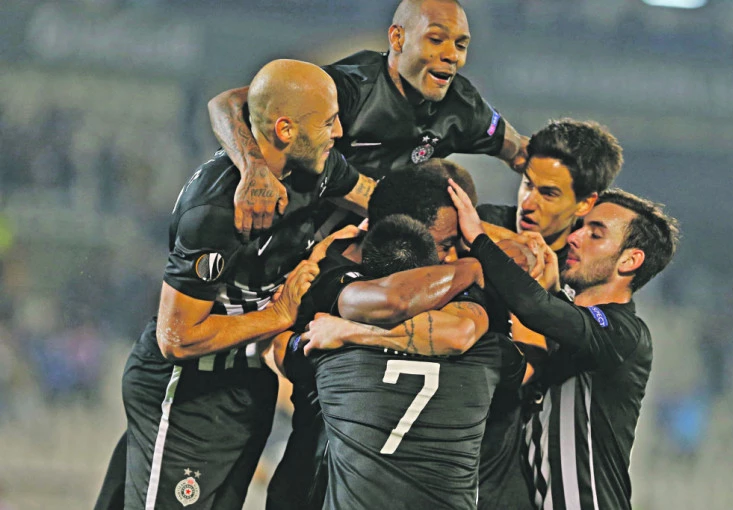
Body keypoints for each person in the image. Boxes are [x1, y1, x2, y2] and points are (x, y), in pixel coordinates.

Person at [109, 59, 376, 510]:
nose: (338, 131)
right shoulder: (216, 210)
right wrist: (277, 315)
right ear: (285, 129)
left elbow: (378, 197)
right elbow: (177, 337)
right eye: (328, 122)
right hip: (188, 390)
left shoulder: (317, 168)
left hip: (248, 384)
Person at [264, 166, 509, 510]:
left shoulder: (454, 277)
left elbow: (458, 332)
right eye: (445, 245)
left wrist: (352, 333)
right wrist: (474, 268)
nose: (451, 257)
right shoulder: (327, 275)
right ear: (403, 232)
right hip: (316, 480)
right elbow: (395, 301)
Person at [449, 182, 680, 510]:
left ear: (630, 260)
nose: (574, 237)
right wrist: (554, 293)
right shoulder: (581, 333)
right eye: (580, 227)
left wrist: (478, 238)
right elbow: (558, 317)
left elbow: (536, 307)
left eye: (595, 234)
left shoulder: (624, 333)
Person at [207, 0, 528, 236]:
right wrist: (254, 170)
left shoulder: (464, 107)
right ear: (398, 38)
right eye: (436, 39)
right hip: (283, 229)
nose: (452, 55)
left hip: (364, 241)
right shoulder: (350, 88)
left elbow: (524, 153)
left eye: (461, 45)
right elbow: (226, 103)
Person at [475, 117, 624, 510]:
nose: (528, 202)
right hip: (457, 432)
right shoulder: (479, 227)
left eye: (548, 193)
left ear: (585, 203)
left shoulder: (593, 280)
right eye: (527, 184)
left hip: (523, 459)